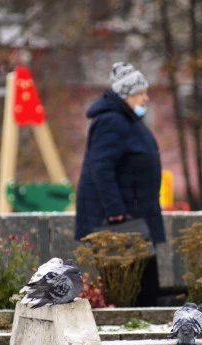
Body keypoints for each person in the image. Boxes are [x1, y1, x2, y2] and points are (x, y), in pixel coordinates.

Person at [75, 62, 165, 305]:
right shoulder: (112, 122)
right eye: (141, 93)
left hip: (135, 218)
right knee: (134, 290)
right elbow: (101, 166)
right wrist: (115, 210)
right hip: (123, 223)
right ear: (127, 95)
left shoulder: (127, 121)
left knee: (143, 287)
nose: (146, 98)